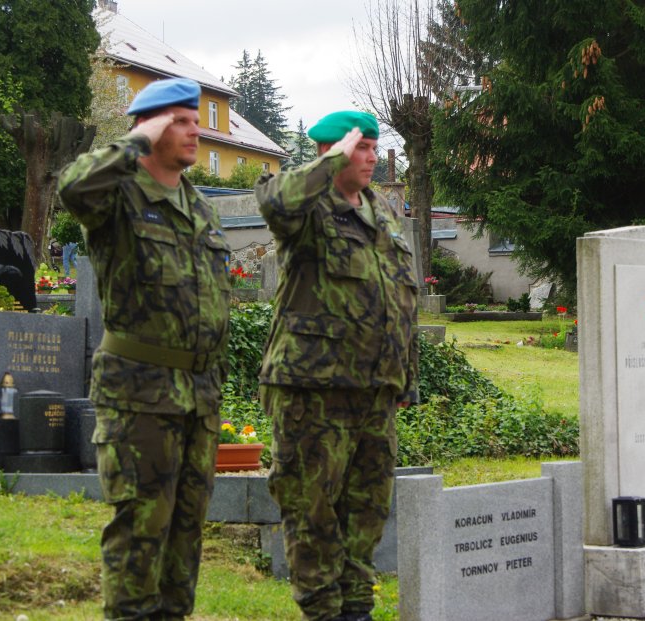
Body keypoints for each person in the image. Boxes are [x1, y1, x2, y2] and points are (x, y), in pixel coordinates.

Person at [57, 77, 231, 620]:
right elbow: (72, 188)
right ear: (150, 126)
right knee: (140, 531)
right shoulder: (118, 194)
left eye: (196, 120)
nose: (196, 130)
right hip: (139, 396)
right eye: (181, 121)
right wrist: (135, 141)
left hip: (199, 398)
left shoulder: (199, 207)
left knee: (186, 535)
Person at [255, 111, 418, 621]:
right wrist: (329, 162)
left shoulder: (381, 213)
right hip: (313, 392)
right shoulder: (307, 208)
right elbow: (275, 202)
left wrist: (405, 379)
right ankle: (323, 612)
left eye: (372, 147)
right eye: (360, 148)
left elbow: (400, 298)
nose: (370, 157)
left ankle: (356, 609)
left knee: (367, 511)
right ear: (333, 152)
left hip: (375, 392)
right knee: (312, 510)